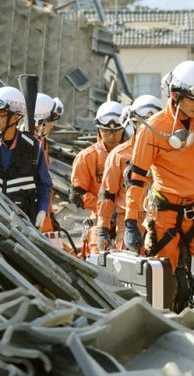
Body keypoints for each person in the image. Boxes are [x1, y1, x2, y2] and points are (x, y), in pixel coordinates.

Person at [124, 60, 194, 312]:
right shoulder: (153, 129)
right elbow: (137, 178)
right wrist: (131, 220)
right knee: (162, 281)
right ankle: (162, 331)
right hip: (164, 214)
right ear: (175, 97)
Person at [0, 86, 52, 228]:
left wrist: (42, 210)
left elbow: (45, 185)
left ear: (16, 117)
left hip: (24, 229)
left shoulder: (34, 148)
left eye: (0, 115)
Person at [96, 94, 163, 251]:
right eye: (143, 123)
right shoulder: (119, 155)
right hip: (129, 222)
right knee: (131, 271)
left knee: (164, 270)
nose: (148, 128)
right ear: (134, 123)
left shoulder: (169, 153)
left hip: (163, 221)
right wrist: (102, 229)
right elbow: (107, 194)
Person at [70, 101, 126, 255]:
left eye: (117, 131)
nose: (112, 135)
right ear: (99, 129)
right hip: (100, 225)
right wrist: (105, 210)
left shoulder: (134, 155)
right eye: (106, 130)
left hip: (129, 223)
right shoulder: (87, 157)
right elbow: (77, 194)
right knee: (98, 266)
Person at [34, 93, 65, 233]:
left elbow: (45, 184)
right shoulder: (28, 144)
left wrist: (50, 213)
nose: (52, 126)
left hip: (42, 208)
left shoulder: (42, 144)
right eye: (50, 121)